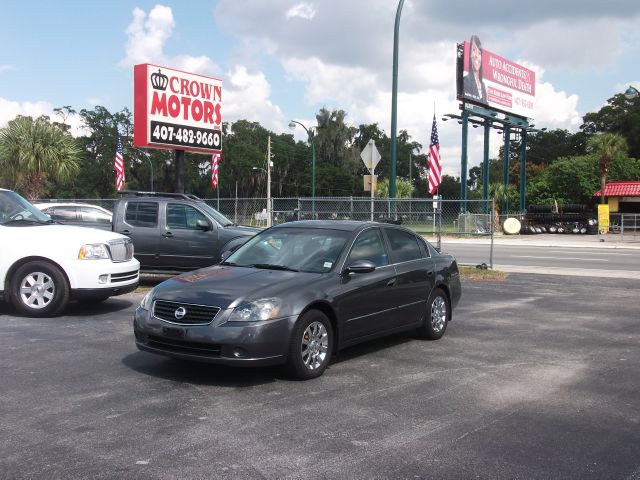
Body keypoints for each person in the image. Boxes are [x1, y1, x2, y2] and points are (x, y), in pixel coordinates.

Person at [463, 35, 487, 104]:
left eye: (479, 53)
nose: (476, 55)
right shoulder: (466, 81)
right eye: (474, 50)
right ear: (470, 54)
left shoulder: (483, 85)